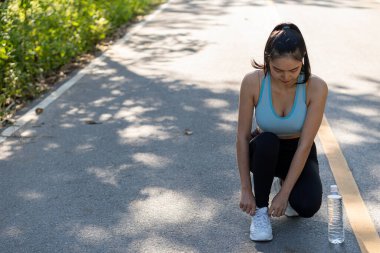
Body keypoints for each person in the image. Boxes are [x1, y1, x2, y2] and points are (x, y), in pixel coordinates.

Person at [236, 22, 328, 241]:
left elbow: (305, 144)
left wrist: (284, 194)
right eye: (278, 70)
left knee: (307, 206)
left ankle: (285, 182)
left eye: (294, 70)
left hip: (298, 150)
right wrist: (246, 189)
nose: (286, 76)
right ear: (267, 60)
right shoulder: (252, 82)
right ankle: (260, 213)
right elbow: (241, 137)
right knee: (267, 140)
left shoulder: (316, 87)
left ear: (303, 62)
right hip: (264, 151)